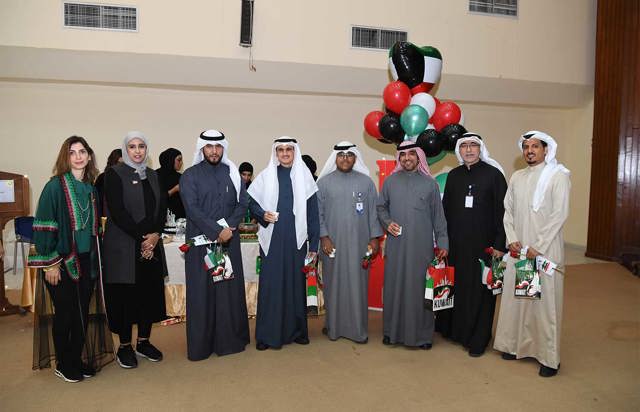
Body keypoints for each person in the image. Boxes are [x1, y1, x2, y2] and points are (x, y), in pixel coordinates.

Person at [28, 135, 113, 382]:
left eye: (82, 151)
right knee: (65, 314)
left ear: (89, 156)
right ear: (65, 157)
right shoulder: (54, 187)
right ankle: (63, 363)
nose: (78, 157)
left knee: (81, 313)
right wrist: (51, 265)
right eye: (72, 152)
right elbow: (44, 226)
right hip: (60, 262)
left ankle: (75, 358)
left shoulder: (91, 189)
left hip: (86, 261)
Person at [493, 130, 570, 377]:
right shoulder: (517, 177)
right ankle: (514, 346)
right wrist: (512, 239)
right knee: (521, 299)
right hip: (520, 250)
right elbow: (508, 211)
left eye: (535, 146)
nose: (530, 151)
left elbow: (559, 214)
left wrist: (539, 245)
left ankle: (549, 358)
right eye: (526, 147)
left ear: (546, 150)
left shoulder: (558, 176)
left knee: (545, 306)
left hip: (544, 251)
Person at [435, 132, 508, 357]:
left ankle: (478, 338)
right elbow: (445, 213)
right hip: (457, 246)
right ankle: (457, 332)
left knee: (481, 292)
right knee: (458, 288)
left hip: (484, 247)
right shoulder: (454, 176)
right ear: (459, 150)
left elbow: (504, 213)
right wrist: (443, 242)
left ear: (480, 149)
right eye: (464, 145)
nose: (468, 150)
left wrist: (499, 245)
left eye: (473, 145)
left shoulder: (494, 175)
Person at [179, 130, 250, 360]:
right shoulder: (190, 175)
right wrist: (217, 231)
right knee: (202, 293)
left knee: (226, 291)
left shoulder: (233, 173)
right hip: (201, 244)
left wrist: (227, 228)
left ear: (223, 148)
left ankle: (229, 342)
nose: (214, 151)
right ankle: (201, 346)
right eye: (209, 147)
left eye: (218, 147)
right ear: (202, 148)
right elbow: (192, 209)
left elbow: (243, 203)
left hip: (228, 242)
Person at [103, 131, 168, 369]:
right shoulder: (114, 174)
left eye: (141, 146)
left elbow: (162, 208)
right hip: (124, 246)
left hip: (151, 243)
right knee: (125, 298)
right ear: (125, 149)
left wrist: (156, 234)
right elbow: (118, 212)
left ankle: (143, 342)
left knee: (148, 295)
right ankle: (124, 346)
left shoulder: (153, 175)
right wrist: (144, 239)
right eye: (132, 146)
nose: (138, 151)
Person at [248, 137, 320, 350]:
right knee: (271, 286)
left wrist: (313, 247)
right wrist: (262, 214)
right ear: (275, 153)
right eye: (281, 149)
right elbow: (250, 201)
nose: (285, 153)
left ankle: (297, 332)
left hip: (297, 242)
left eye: (289, 149)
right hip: (272, 239)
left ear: (295, 152)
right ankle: (266, 335)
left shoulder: (305, 177)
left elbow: (313, 215)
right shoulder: (266, 175)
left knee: (295, 285)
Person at [377, 140, 448, 349]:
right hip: (397, 246)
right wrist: (387, 223)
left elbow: (439, 217)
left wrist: (443, 242)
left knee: (420, 290)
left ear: (419, 157)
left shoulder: (430, 184)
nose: (407, 158)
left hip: (421, 247)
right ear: (399, 158)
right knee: (394, 287)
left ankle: (423, 336)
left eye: (411, 154)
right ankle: (391, 332)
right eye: (403, 155)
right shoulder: (390, 182)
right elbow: (381, 208)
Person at [316, 141, 382, 343]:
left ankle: (358, 330)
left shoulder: (366, 183)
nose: (345, 159)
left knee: (357, 286)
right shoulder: (323, 183)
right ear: (335, 158)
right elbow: (317, 214)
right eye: (341, 155)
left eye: (349, 155)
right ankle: (334, 328)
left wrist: (374, 238)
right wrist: (324, 236)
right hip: (332, 245)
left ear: (355, 158)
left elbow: (373, 213)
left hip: (360, 245)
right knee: (333, 286)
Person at [157, 148, 185, 219]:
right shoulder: (155, 176)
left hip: (180, 219)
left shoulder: (181, 177)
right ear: (170, 160)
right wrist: (175, 189)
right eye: (179, 160)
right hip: (162, 217)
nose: (181, 163)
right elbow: (157, 198)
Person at [94, 148, 122, 216]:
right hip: (105, 218)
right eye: (119, 163)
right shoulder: (102, 178)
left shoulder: (130, 179)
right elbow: (97, 202)